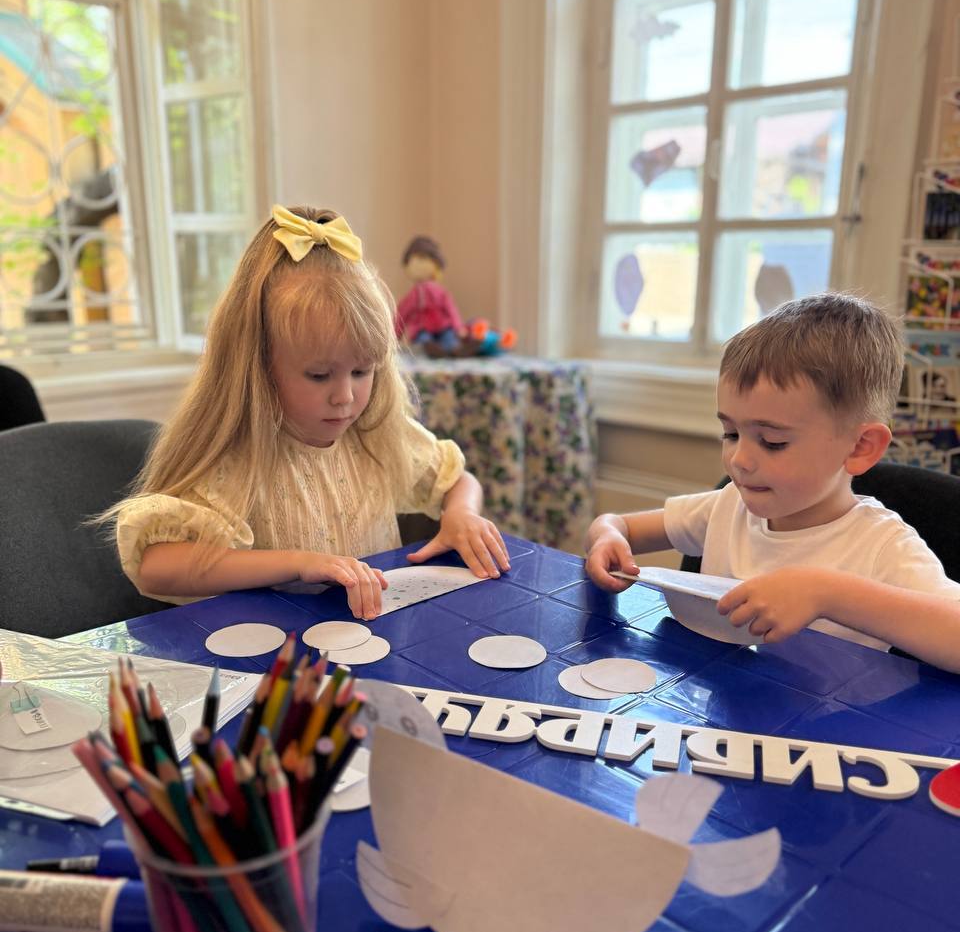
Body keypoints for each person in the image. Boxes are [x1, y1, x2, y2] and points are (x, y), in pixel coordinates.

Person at [104, 204, 509, 620]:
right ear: (258, 367)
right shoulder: (241, 456)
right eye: (319, 375)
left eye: (361, 371)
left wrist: (461, 514)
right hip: (284, 654)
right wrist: (298, 563)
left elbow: (457, 480)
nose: (345, 397)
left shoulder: (374, 432)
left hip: (373, 643)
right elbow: (156, 567)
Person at [585, 293, 960, 671]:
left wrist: (828, 593)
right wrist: (606, 537)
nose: (739, 459)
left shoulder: (882, 546)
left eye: (772, 442)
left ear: (860, 447)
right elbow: (618, 526)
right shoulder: (728, 506)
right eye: (731, 433)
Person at [395, 235, 465, 353]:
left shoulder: (441, 292)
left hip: (443, 327)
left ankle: (453, 349)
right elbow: (403, 313)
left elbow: (451, 310)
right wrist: (395, 334)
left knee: (449, 337)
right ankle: (433, 349)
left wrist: (459, 328)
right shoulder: (415, 294)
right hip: (422, 329)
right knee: (423, 339)